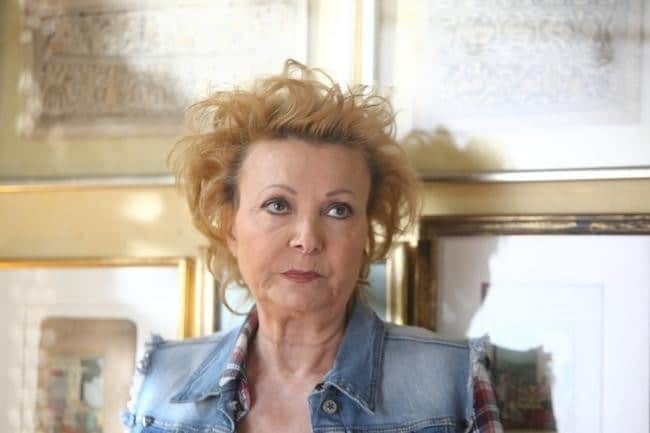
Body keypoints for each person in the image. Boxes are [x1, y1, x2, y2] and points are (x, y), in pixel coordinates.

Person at [120, 60, 503, 433]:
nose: (307, 239)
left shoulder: (452, 384)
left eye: (338, 210)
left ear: (365, 235)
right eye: (277, 205)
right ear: (230, 228)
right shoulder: (159, 384)